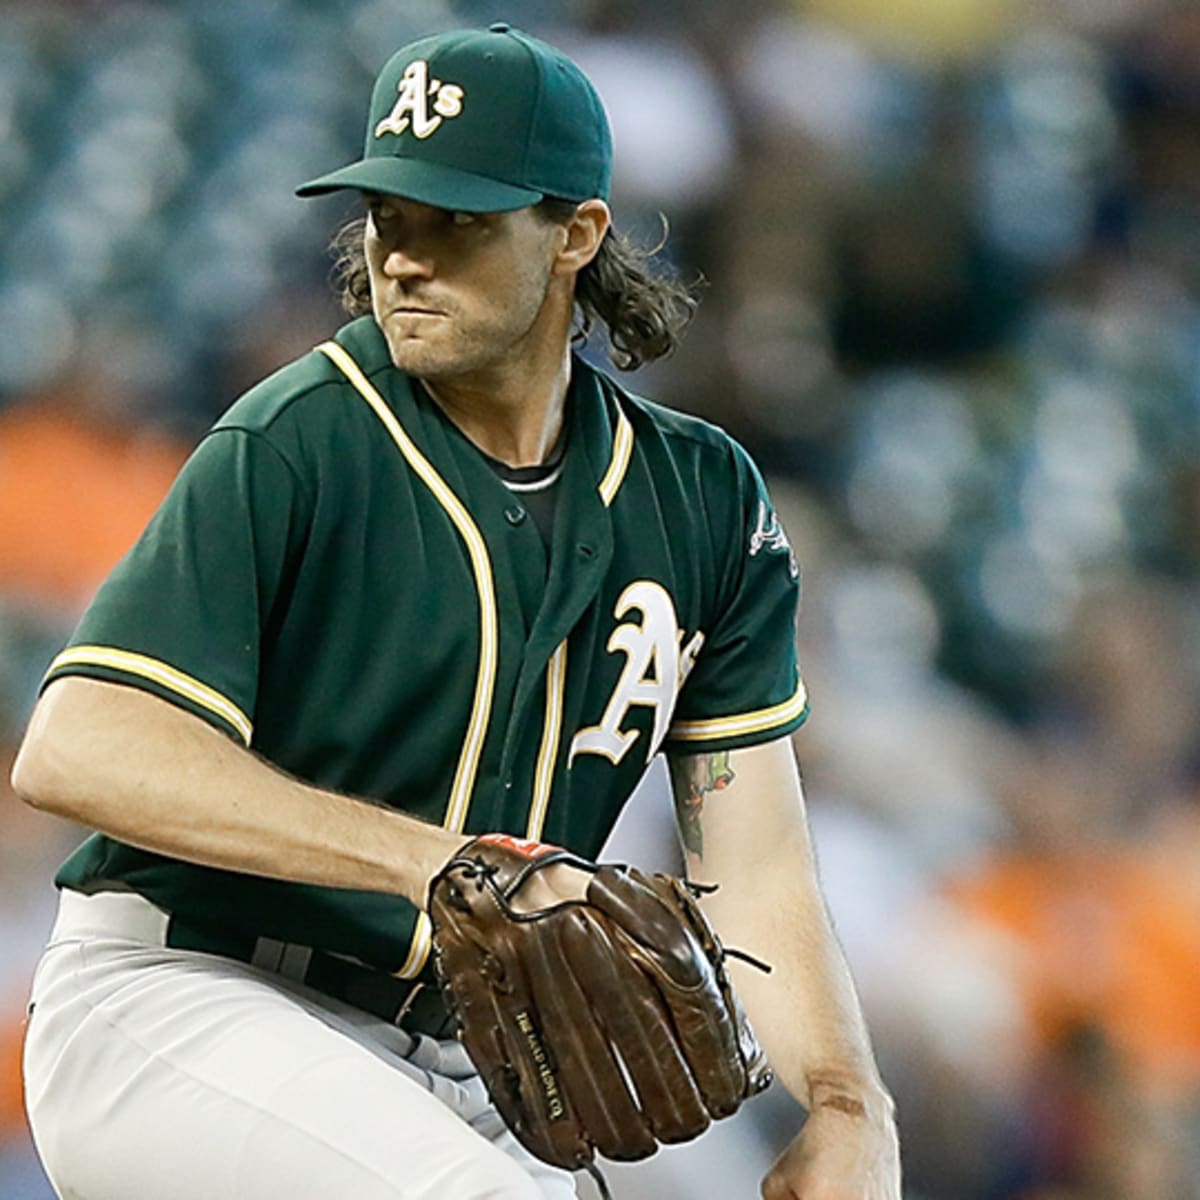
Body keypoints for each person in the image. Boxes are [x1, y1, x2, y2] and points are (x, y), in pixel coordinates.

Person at [12, 23, 900, 1200]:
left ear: (577, 234)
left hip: (466, 1058)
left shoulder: (700, 498)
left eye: (459, 224)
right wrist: (437, 864)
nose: (406, 259)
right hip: (183, 997)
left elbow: (755, 855)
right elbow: (78, 747)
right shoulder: (305, 439)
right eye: (390, 216)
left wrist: (848, 1102)